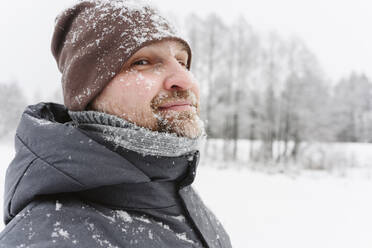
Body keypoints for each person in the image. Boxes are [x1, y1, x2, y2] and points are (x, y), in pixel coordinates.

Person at [0, 0, 232, 247]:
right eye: (142, 61)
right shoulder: (49, 238)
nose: (184, 79)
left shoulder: (179, 198)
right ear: (88, 93)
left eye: (182, 62)